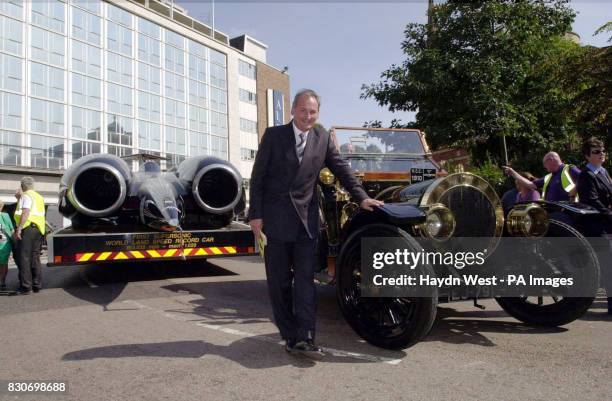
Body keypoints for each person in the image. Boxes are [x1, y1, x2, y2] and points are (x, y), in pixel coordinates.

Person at [248, 89, 383, 357]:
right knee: (280, 283)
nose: (308, 116)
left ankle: (305, 338)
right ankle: (289, 335)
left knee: (306, 283)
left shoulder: (322, 138)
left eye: (313, 112)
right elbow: (258, 177)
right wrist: (255, 215)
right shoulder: (274, 136)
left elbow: (341, 169)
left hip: (306, 223)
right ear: (292, 111)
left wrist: (363, 197)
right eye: (303, 110)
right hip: (275, 221)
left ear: (317, 113)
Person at [576, 137, 611, 314]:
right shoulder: (586, 175)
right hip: (596, 225)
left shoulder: (603, 172)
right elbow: (592, 201)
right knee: (608, 265)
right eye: (596, 152)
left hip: (607, 223)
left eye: (603, 151)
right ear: (587, 156)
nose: (601, 154)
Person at [13, 176, 46, 295]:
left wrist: (19, 229)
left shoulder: (26, 195)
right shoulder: (39, 197)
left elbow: (26, 212)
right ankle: (37, 285)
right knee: (35, 257)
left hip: (28, 228)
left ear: (22, 186)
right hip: (39, 229)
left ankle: (26, 287)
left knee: (24, 257)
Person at [503, 152, 580, 202]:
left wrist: (573, 193)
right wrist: (513, 173)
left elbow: (584, 179)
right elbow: (530, 185)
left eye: (545, 163)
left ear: (551, 160)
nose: (544, 167)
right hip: (552, 212)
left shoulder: (569, 169)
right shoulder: (549, 177)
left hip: (567, 212)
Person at [0, 200, 15, 291]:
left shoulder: (5, 216)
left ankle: (2, 282)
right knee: (2, 264)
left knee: (3, 263)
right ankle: (1, 282)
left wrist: (14, 240)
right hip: (4, 242)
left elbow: (11, 229)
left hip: (4, 243)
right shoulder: (5, 215)